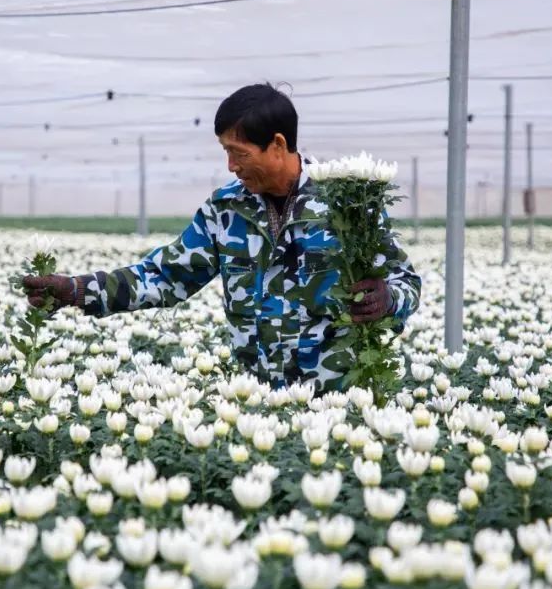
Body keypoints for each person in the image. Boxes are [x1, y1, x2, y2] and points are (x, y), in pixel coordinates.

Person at [23, 83, 421, 394]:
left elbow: (407, 282)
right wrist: (77, 291)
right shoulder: (226, 210)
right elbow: (165, 276)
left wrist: (389, 299)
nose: (231, 166)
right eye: (225, 152)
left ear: (278, 145)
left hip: (338, 398)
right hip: (256, 402)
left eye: (239, 153)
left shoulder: (347, 202)